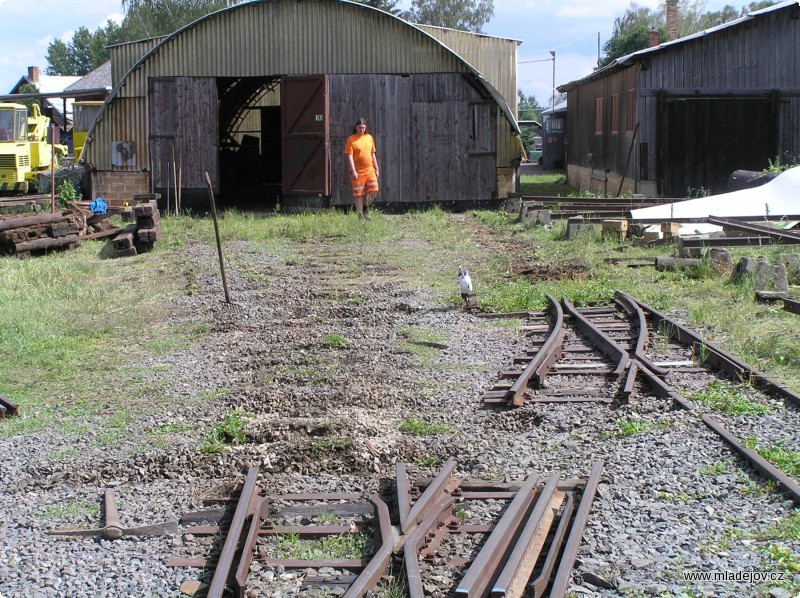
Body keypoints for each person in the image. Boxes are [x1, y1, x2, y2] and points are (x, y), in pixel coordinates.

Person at [343, 117, 379, 220]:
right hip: (357, 171)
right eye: (359, 128)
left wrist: (377, 168)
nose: (361, 130)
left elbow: (373, 154)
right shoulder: (351, 139)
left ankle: (365, 208)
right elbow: (349, 156)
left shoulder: (369, 138)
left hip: (370, 169)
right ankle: (360, 215)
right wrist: (353, 171)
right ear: (356, 127)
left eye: (363, 128)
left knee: (374, 190)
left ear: (365, 127)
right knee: (358, 194)